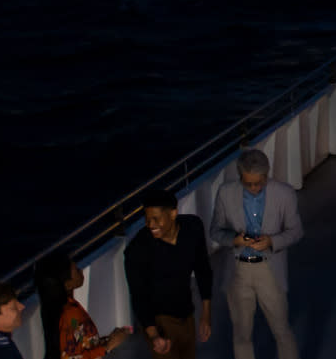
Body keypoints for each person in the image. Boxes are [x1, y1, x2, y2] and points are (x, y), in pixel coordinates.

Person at [207, 149, 303, 359]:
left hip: (270, 271)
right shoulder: (225, 192)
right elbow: (215, 230)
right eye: (248, 183)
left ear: (266, 176)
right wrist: (234, 239)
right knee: (241, 335)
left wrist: (272, 241)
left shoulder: (285, 193)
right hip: (238, 271)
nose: (253, 188)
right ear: (240, 177)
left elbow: (296, 231)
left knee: (282, 331)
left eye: (258, 183)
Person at [124, 188, 214, 359]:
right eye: (147, 218)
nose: (150, 224)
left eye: (156, 218)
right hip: (160, 322)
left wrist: (206, 314)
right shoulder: (137, 250)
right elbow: (139, 296)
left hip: (187, 315)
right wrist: (154, 336)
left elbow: (203, 269)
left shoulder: (193, 228)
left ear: (173, 214)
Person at [35, 251, 144, 359]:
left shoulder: (70, 309)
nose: (81, 271)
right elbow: (72, 357)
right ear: (67, 284)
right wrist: (107, 347)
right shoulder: (70, 314)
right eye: (77, 270)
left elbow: (79, 341)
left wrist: (109, 340)